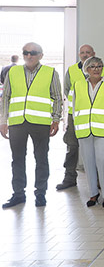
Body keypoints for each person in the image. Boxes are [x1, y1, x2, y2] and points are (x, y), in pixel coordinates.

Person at [1, 42, 62, 208]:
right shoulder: (13, 71)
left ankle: (40, 193)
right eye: (25, 52)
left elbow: (57, 97)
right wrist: (3, 120)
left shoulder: (50, 73)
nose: (29, 56)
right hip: (17, 122)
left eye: (33, 52)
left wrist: (56, 119)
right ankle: (18, 194)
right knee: (17, 159)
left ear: (41, 55)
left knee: (41, 159)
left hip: (40, 123)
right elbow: (5, 97)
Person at [57, 44, 104, 191]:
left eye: (88, 52)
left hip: (97, 117)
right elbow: (67, 91)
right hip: (77, 117)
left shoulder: (103, 70)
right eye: (82, 53)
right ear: (79, 54)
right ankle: (69, 178)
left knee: (97, 150)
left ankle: (99, 180)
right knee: (72, 147)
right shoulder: (72, 70)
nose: (85, 55)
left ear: (93, 53)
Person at [73, 57, 104, 208]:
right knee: (88, 163)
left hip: (103, 130)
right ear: (86, 69)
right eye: (93, 66)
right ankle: (93, 193)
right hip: (84, 130)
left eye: (99, 66)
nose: (96, 69)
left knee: (103, 160)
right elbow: (75, 108)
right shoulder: (78, 85)